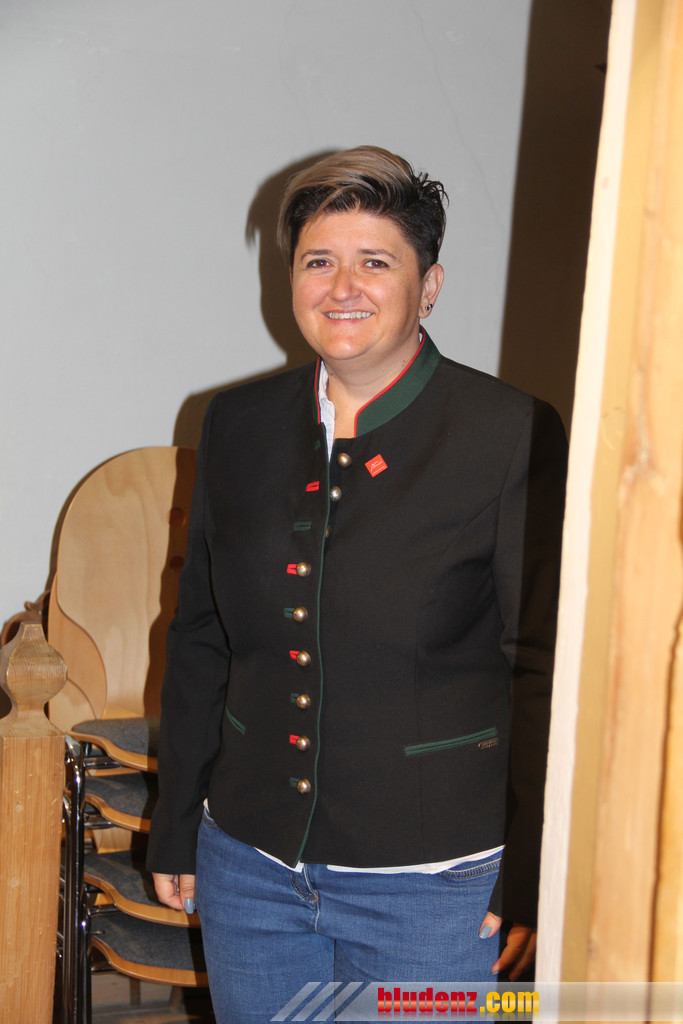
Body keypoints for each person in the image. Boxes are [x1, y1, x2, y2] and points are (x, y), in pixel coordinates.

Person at [147, 145, 567, 1022]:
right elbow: (201, 635)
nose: (342, 287)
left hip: (437, 890)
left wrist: (534, 865)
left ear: (429, 285)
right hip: (249, 870)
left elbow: (545, 666)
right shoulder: (237, 423)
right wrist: (177, 818)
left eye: (375, 261)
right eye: (318, 261)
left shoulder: (507, 433)